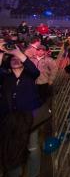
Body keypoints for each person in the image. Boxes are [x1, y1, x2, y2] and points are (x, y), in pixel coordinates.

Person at [0, 45, 42, 177]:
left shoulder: (30, 75)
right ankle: (14, 173)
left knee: (32, 147)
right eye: (12, 58)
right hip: (10, 118)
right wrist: (1, 53)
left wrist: (18, 53)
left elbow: (35, 71)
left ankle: (33, 174)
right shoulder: (5, 77)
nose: (15, 59)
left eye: (18, 58)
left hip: (30, 117)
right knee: (13, 148)